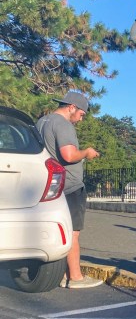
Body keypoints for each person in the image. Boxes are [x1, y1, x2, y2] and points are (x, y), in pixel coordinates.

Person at [37, 91, 103, 289]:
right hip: (70, 186)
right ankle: (75, 277)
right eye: (81, 114)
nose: (80, 120)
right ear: (71, 107)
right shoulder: (63, 124)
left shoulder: (41, 122)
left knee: (57, 230)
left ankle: (62, 274)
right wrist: (87, 152)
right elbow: (68, 154)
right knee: (73, 232)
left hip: (51, 184)